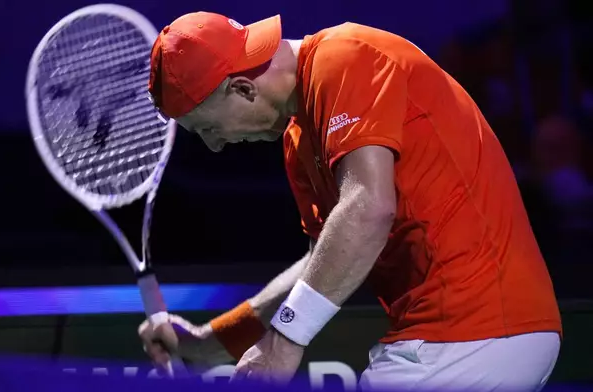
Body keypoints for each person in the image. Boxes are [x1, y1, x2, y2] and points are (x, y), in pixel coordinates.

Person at [140, 11, 563, 391]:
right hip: (475, 342)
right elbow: (324, 263)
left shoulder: (344, 57)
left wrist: (285, 341)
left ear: (244, 88)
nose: (215, 147)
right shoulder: (297, 137)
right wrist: (210, 342)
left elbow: (370, 210)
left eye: (208, 129)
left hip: (471, 335)